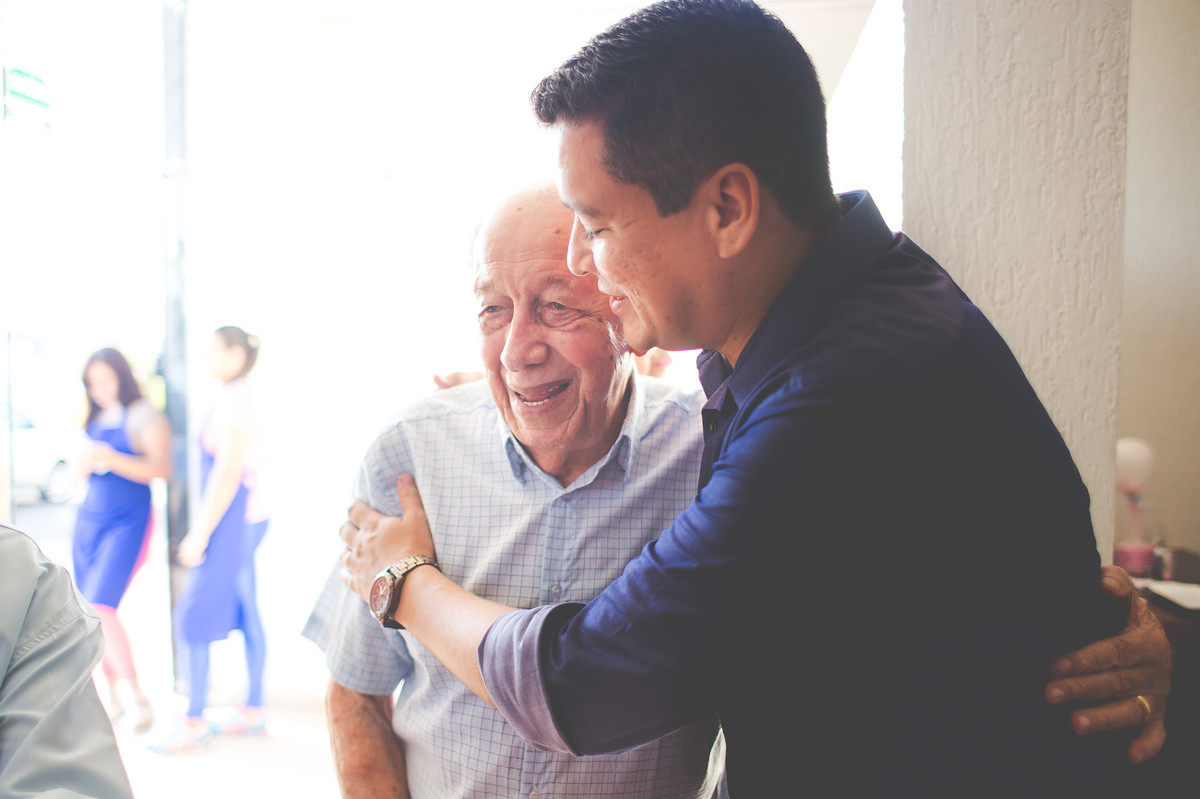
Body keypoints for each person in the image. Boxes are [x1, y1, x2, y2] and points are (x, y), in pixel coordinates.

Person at [338, 1, 1173, 796]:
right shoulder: (835, 325)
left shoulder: (846, 393)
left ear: (729, 208)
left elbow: (585, 681)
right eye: (498, 306)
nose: (587, 268)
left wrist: (406, 579)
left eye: (596, 229)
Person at [304, 183, 723, 798]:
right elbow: (357, 696)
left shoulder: (709, 455)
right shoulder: (410, 453)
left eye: (556, 305)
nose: (516, 352)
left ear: (624, 310)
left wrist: (409, 581)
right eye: (493, 311)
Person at [153, 326, 268, 752]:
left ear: (236, 354)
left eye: (213, 352)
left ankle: (193, 718)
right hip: (245, 517)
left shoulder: (237, 402)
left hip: (232, 519)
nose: (206, 360)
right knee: (246, 607)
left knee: (192, 615)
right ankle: (253, 708)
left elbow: (227, 472)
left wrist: (199, 534)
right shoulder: (237, 397)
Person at [74, 346, 171, 732]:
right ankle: (110, 694)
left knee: (102, 605)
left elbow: (160, 468)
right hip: (88, 521)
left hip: (127, 522)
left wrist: (110, 458)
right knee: (87, 612)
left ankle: (137, 695)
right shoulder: (92, 418)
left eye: (104, 381)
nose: (98, 390)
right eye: (91, 384)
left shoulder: (143, 414)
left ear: (122, 377)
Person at [1, 523, 135, 798]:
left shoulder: (20, 570)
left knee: (103, 608)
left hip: (118, 523)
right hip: (92, 528)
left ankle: (130, 693)